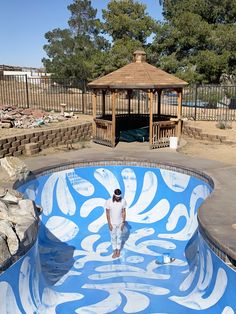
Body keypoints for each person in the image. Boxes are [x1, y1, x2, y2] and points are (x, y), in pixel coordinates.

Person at [105, 188, 127, 258]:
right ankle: (114, 251)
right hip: (112, 223)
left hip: (120, 223)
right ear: (114, 195)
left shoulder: (123, 201)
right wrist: (109, 224)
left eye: (119, 197)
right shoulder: (108, 201)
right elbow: (107, 213)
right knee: (113, 237)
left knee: (119, 237)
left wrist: (123, 222)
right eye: (117, 197)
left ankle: (118, 251)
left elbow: (123, 212)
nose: (118, 198)